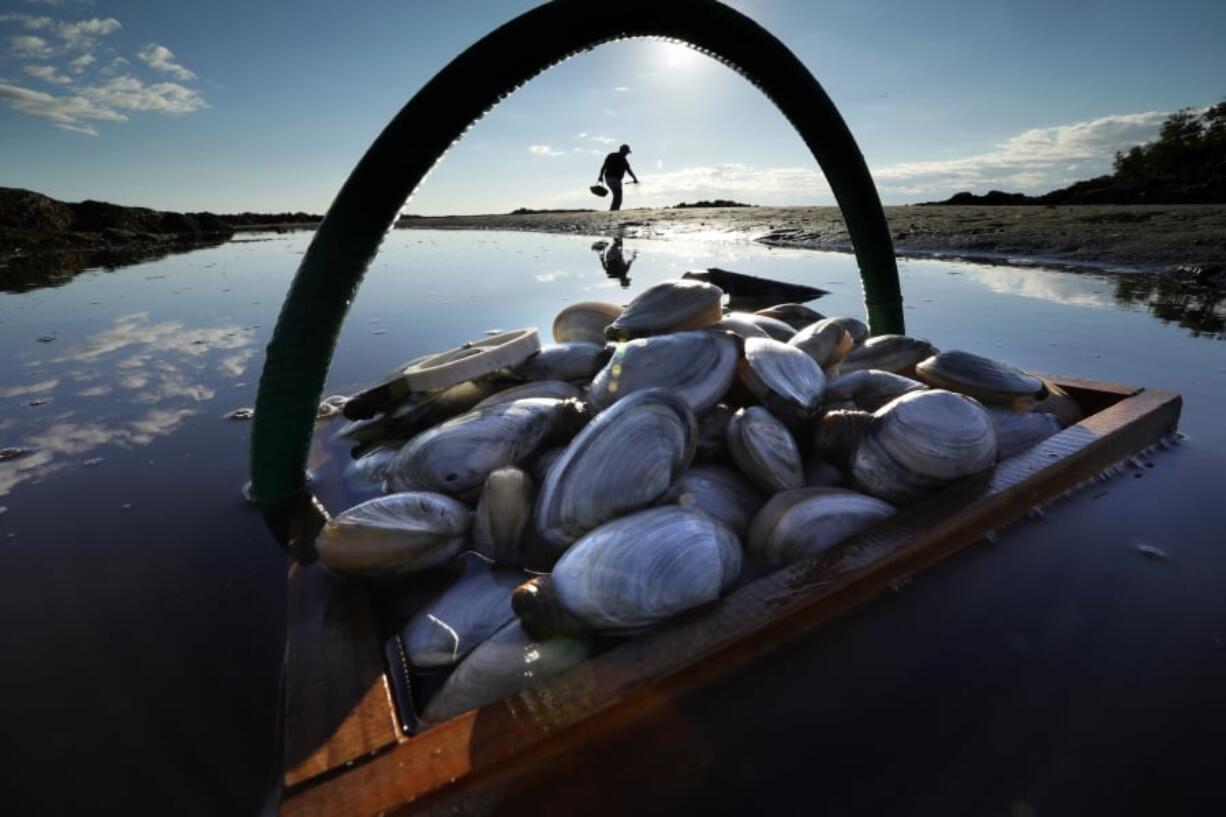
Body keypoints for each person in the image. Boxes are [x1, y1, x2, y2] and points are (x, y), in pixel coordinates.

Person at [597, 144, 638, 211]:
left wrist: (600, 176)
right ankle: (614, 210)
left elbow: (604, 166)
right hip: (614, 179)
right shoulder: (623, 160)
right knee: (618, 196)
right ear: (623, 151)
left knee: (617, 195)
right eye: (626, 152)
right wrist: (635, 179)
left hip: (608, 178)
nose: (627, 154)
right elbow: (629, 170)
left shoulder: (611, 155)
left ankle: (614, 209)